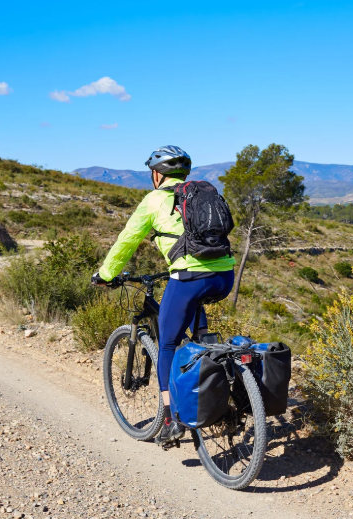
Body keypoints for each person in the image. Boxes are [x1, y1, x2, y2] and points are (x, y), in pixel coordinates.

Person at [91, 145, 235, 446]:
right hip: (225, 276)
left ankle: (170, 420)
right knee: (199, 335)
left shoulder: (155, 199)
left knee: (167, 343)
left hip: (188, 277)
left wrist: (105, 275)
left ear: (157, 174)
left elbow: (126, 241)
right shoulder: (204, 192)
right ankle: (227, 394)